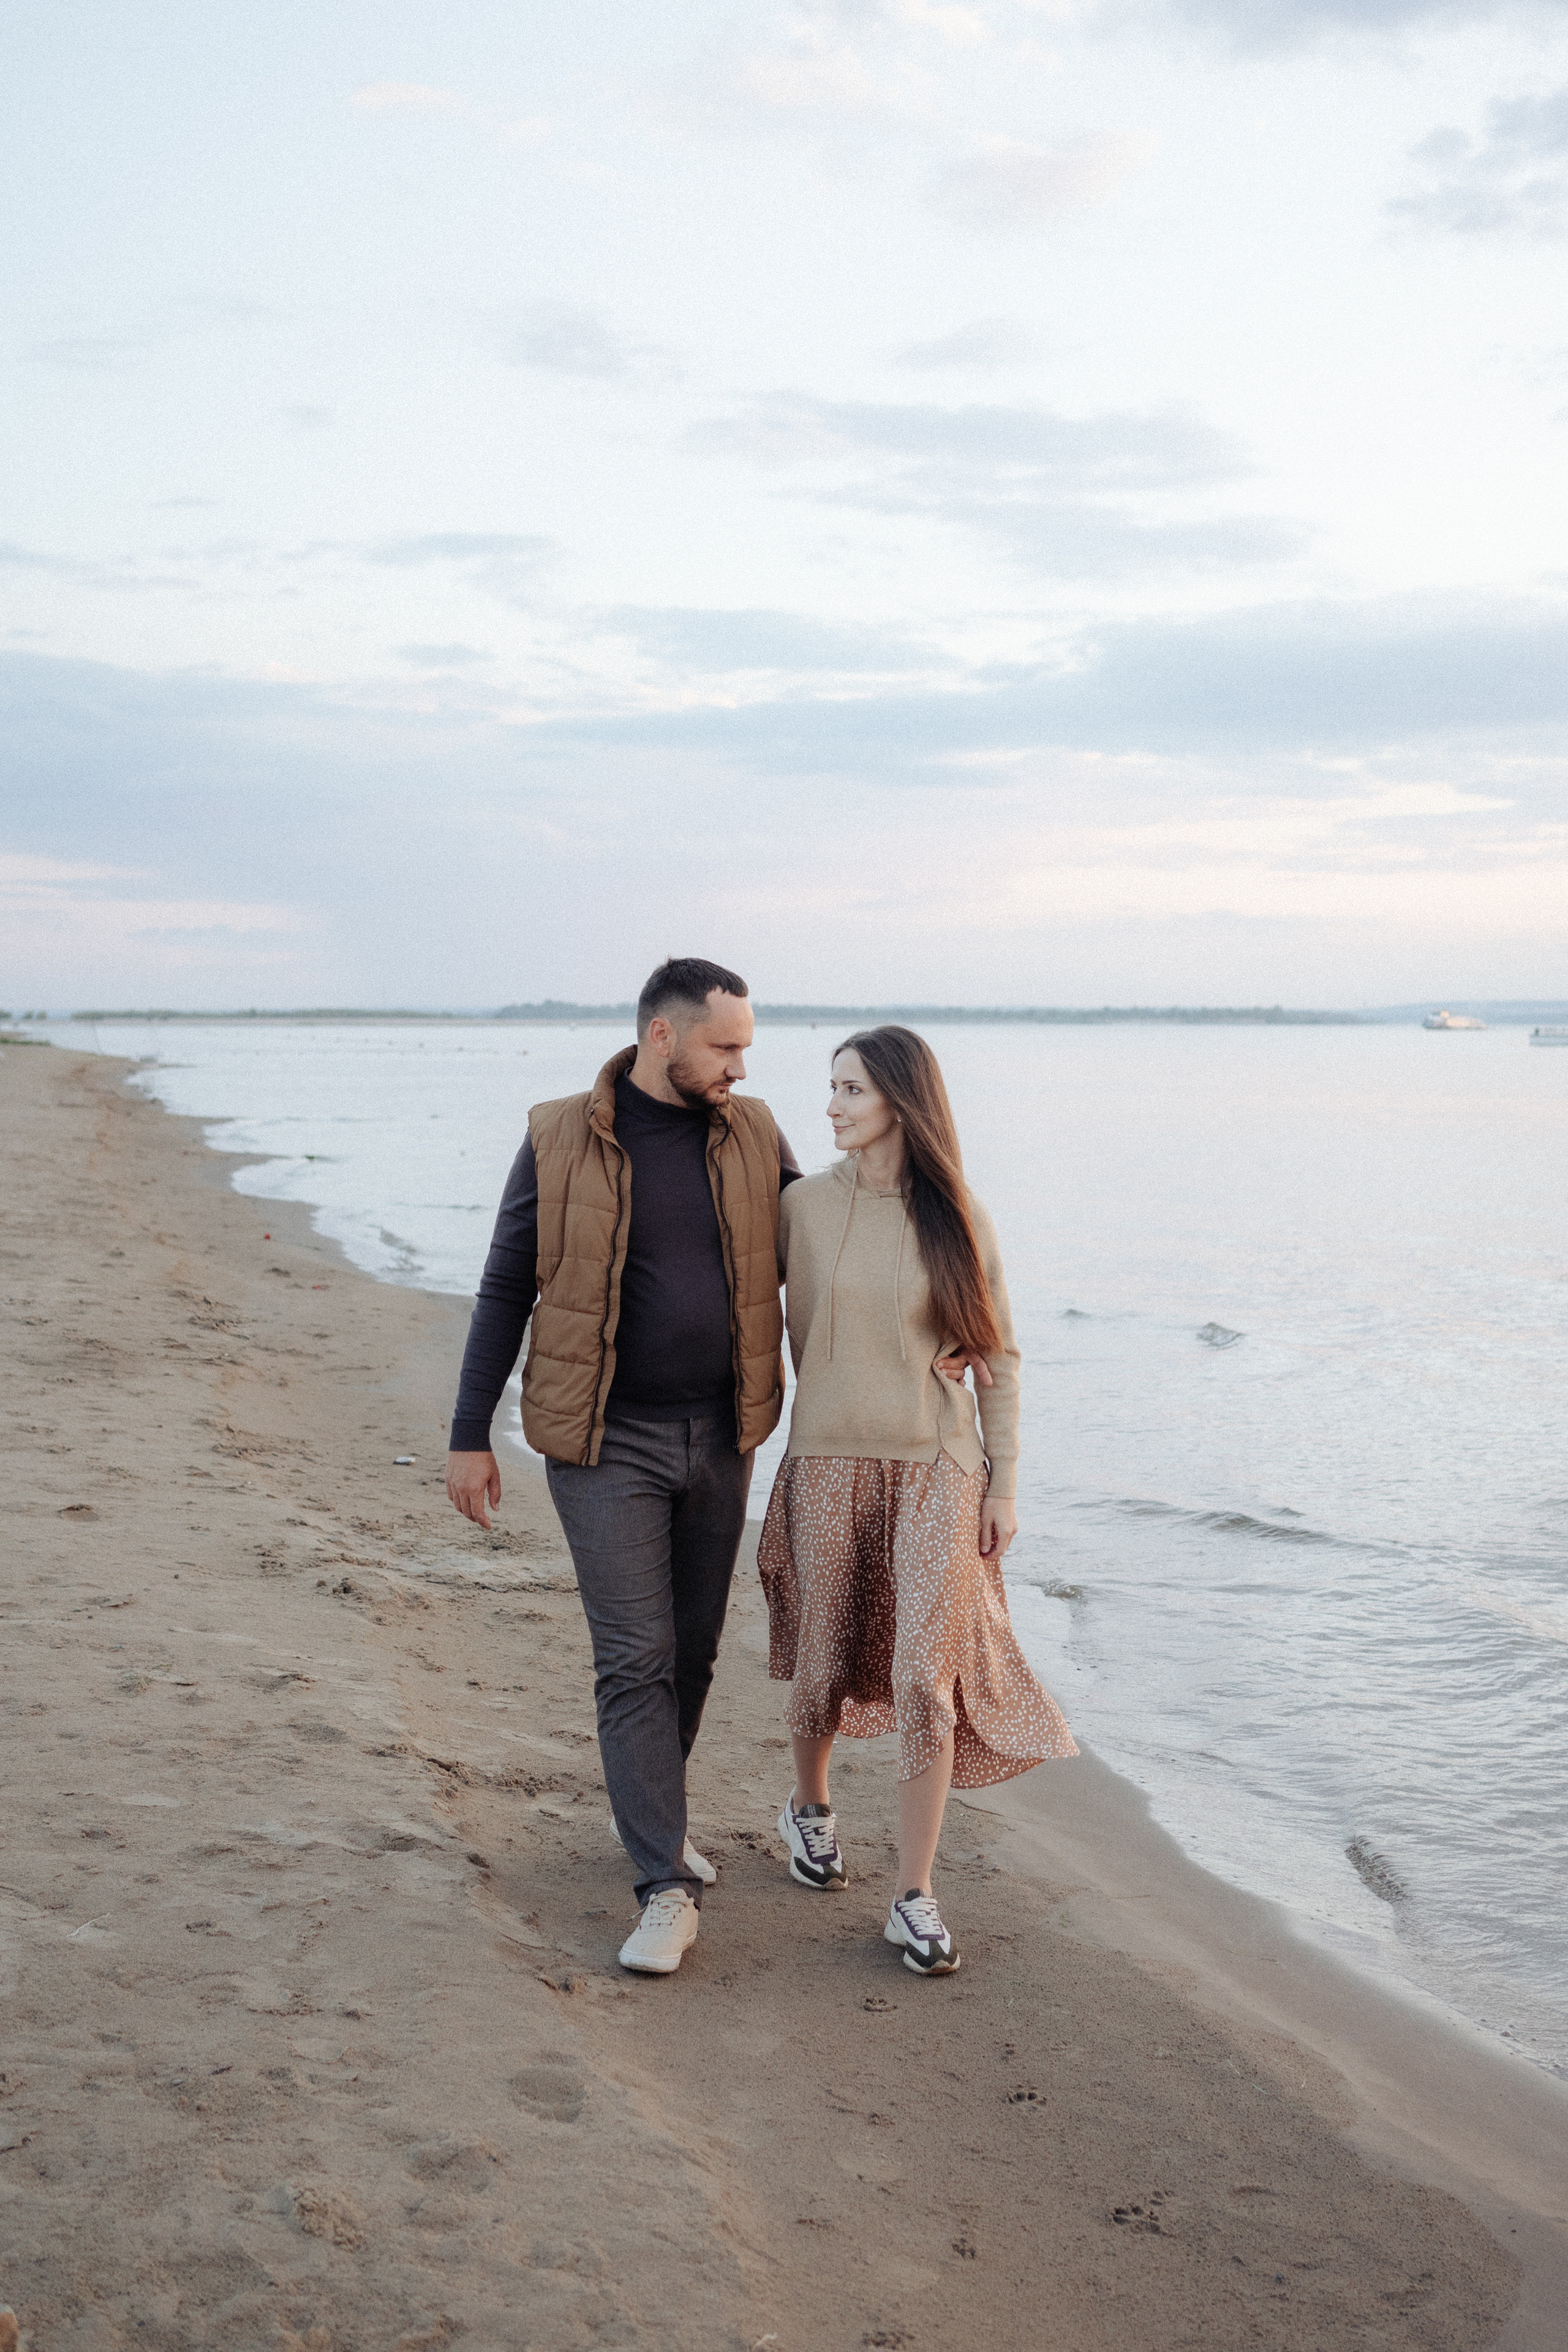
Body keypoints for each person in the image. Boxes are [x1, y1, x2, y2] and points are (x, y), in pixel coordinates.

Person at [446, 958, 801, 1975]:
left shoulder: (755, 1133)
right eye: (725, 1046)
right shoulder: (559, 1135)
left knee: (692, 1652)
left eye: (746, 1048)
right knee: (635, 1656)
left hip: (723, 1434)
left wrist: (949, 1320)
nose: (740, 1066)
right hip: (605, 1443)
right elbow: (505, 1284)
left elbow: (832, 1250)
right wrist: (470, 1432)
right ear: (662, 1036)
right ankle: (664, 1887)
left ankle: (652, 1815)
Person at [759, 1025, 1076, 1975]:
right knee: (822, 1656)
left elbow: (999, 1356)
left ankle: (914, 1894)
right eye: (831, 1087)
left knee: (924, 1678)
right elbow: (733, 1304)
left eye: (851, 1089)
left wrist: (1004, 1482)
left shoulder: (959, 1215)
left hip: (939, 1465)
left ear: (901, 1099)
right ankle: (810, 1809)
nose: (832, 1106)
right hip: (826, 1458)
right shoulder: (802, 1207)